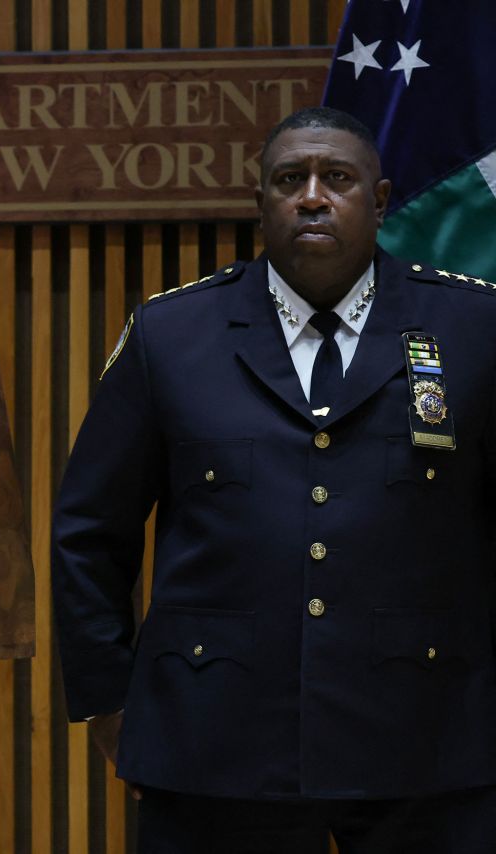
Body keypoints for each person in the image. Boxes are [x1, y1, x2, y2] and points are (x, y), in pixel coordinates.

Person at [52, 106, 496, 853]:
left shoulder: (474, 329)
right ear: (260, 203)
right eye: (290, 180)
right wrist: (110, 699)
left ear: (380, 199)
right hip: (211, 747)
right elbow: (91, 533)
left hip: (430, 742)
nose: (313, 196)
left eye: (338, 179)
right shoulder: (174, 335)